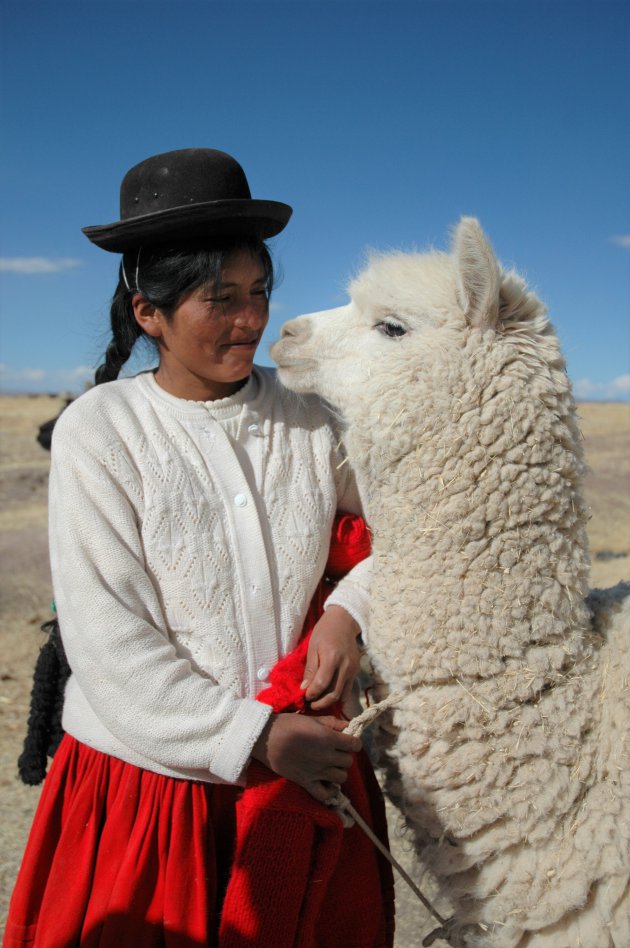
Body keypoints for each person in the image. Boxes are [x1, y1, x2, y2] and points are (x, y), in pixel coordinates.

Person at [4, 149, 393, 946]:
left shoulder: (312, 419)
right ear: (149, 311)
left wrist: (349, 611)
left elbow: (415, 534)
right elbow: (108, 641)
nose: (251, 320)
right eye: (221, 299)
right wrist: (252, 738)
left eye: (259, 294)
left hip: (298, 777)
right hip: (152, 793)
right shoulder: (102, 431)